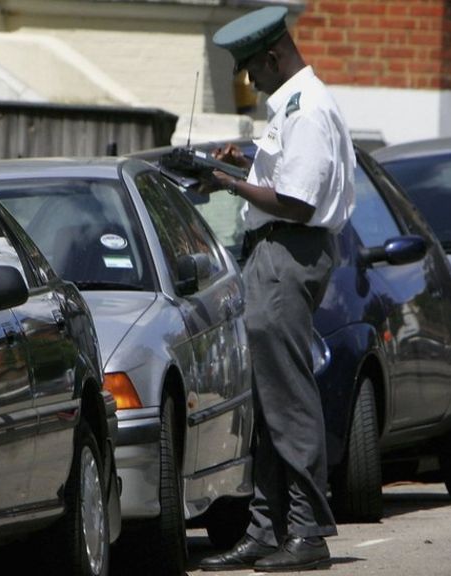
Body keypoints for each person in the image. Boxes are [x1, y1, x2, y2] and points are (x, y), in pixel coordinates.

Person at [197, 6, 356, 573]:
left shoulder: (308, 107)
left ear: (273, 56)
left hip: (290, 253)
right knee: (269, 399)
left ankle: (307, 531)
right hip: (274, 253)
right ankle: (267, 529)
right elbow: (287, 177)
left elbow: (298, 202)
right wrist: (248, 165)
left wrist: (232, 184)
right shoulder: (292, 104)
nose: (248, 79)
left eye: (249, 67)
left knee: (288, 396)